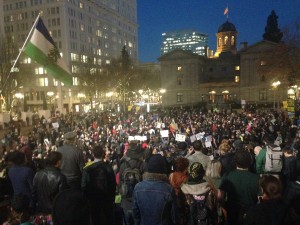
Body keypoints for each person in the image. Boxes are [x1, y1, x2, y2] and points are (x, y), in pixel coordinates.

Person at [218, 150, 260, 225]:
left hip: (232, 211)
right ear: (250, 161)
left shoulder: (227, 176)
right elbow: (260, 199)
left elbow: (220, 197)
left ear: (235, 162)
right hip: (250, 213)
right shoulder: (256, 178)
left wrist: (225, 206)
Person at [132, 154, 176, 225]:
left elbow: (135, 213)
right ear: (163, 169)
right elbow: (174, 216)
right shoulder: (168, 189)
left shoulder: (138, 187)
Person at [81, 145, 116, 225]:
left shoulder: (87, 169)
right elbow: (113, 184)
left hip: (93, 199)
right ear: (103, 154)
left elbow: (83, 186)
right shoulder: (108, 168)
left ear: (93, 154)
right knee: (108, 218)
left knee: (95, 219)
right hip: (107, 198)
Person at [118, 142, 146, 225]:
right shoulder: (143, 165)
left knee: (126, 221)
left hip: (126, 199)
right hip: (139, 199)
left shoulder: (123, 165)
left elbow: (120, 182)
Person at [169, 157, 189, 225]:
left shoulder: (171, 175)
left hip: (173, 199)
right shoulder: (185, 178)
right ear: (185, 168)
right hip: (182, 201)